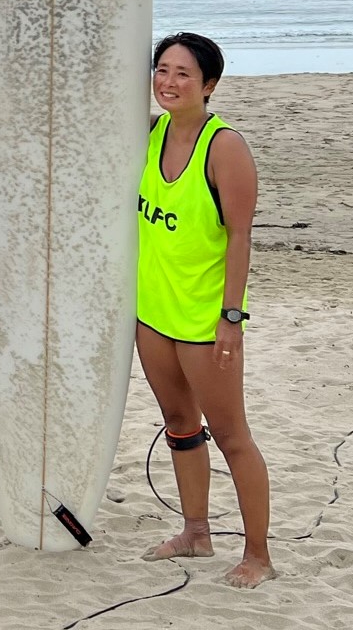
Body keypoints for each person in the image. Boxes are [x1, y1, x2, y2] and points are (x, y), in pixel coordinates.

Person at [134, 32, 273, 587]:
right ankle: (196, 532)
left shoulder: (225, 146)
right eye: (162, 70)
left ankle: (258, 555)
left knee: (232, 435)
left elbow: (240, 237)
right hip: (152, 312)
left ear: (209, 84)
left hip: (202, 320)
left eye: (183, 73)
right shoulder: (150, 132)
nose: (168, 82)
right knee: (179, 423)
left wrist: (231, 319)